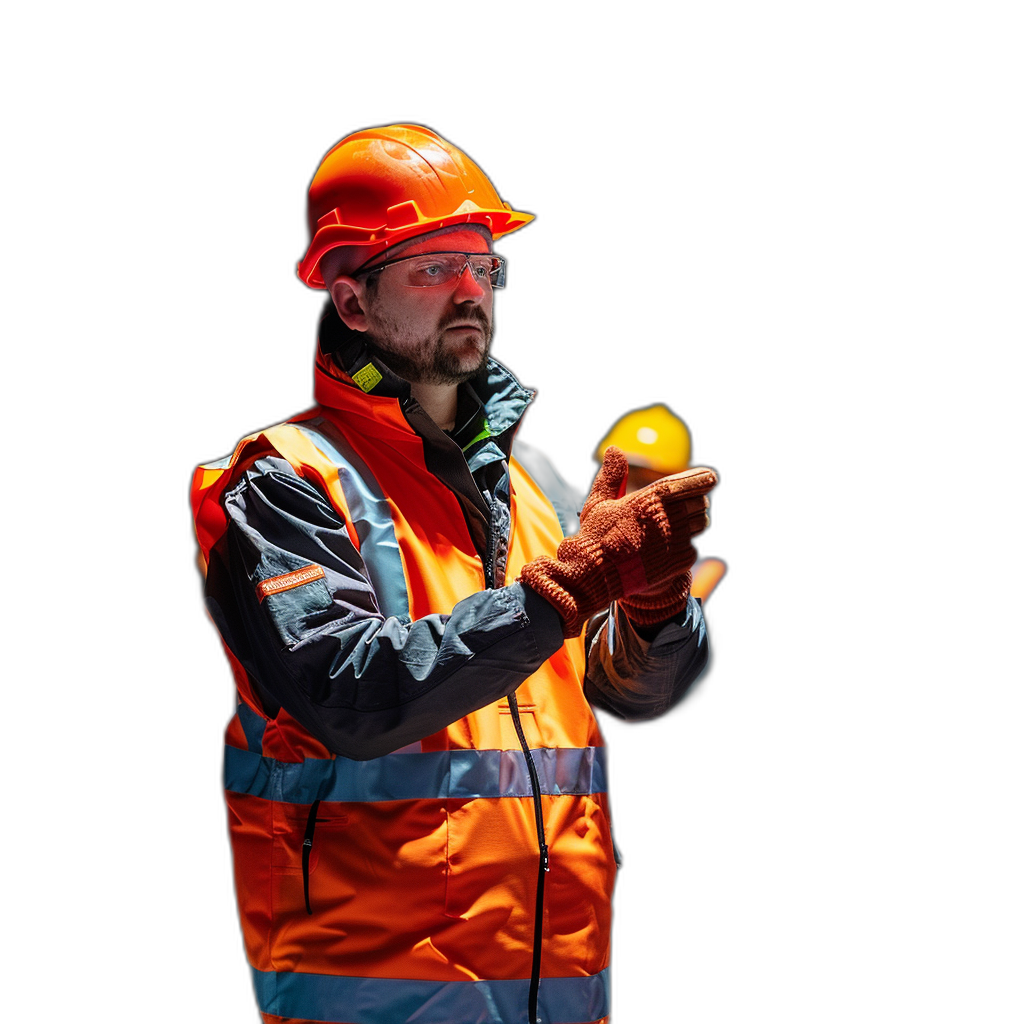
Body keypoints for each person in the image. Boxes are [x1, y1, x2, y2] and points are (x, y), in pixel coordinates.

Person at [190, 124, 719, 1024]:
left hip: (558, 991)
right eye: (432, 268)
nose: (471, 289)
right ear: (351, 301)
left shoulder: (535, 485)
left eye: (483, 265)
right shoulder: (282, 482)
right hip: (365, 1002)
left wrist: (654, 612)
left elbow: (634, 698)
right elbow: (355, 698)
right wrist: (570, 592)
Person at [594, 404, 728, 603]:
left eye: (648, 484)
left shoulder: (705, 580)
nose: (633, 496)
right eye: (621, 479)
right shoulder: (571, 560)